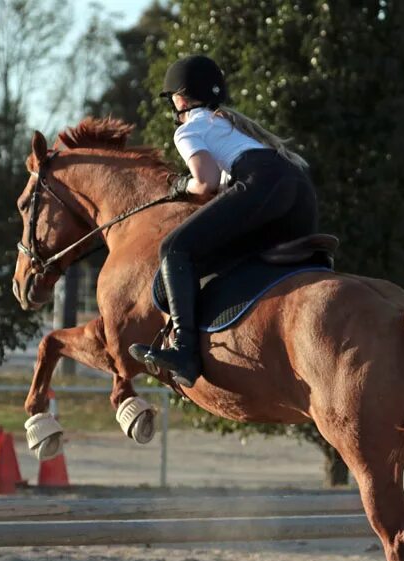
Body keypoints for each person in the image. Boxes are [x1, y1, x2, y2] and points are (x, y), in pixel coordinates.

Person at [128, 54, 319, 388]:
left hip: (264, 184)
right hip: (300, 196)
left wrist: (178, 186)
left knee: (174, 248)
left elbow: (206, 183)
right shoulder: (230, 122)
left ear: (180, 99)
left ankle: (185, 350)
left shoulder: (190, 127)